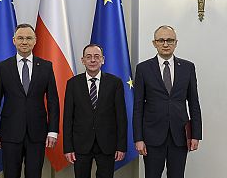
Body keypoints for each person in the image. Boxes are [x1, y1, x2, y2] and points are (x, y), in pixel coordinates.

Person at [0, 23, 59, 178]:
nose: (24, 42)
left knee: (34, 174)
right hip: (10, 132)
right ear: (14, 40)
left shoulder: (46, 67)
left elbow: (53, 101)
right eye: (20, 38)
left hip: (37, 133)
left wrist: (53, 131)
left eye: (28, 38)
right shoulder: (3, 67)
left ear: (35, 41)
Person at [133, 25, 202, 178]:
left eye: (170, 40)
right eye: (161, 40)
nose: (165, 44)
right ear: (154, 43)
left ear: (176, 42)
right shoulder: (143, 69)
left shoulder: (188, 67)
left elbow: (194, 103)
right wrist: (138, 138)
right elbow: (137, 107)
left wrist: (196, 134)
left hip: (180, 136)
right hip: (152, 136)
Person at [63, 44, 127, 178]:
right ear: (83, 60)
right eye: (89, 57)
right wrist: (68, 147)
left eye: (96, 57)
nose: (93, 60)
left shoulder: (115, 83)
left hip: (107, 144)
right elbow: (68, 118)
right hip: (81, 144)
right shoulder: (73, 83)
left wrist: (121, 146)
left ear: (103, 59)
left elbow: (121, 117)